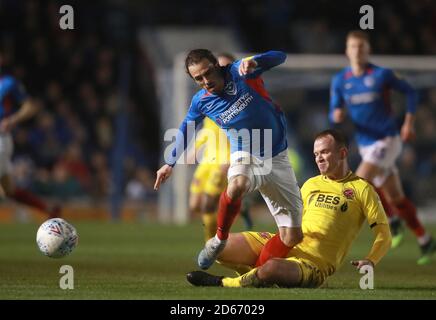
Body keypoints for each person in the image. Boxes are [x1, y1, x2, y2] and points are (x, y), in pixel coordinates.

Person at [154, 49, 303, 270]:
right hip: (245, 154)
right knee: (237, 185)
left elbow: (281, 56)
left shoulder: (240, 71)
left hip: (278, 158)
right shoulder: (201, 102)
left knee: (292, 236)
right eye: (198, 79)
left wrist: (256, 61)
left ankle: (257, 275)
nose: (205, 81)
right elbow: (187, 129)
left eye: (207, 73)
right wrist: (170, 162)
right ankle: (219, 240)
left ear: (217, 65)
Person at [186, 129, 392, 288]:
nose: (319, 158)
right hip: (284, 244)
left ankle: (225, 283)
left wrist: (371, 260)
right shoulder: (311, 184)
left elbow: (383, 233)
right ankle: (260, 276)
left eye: (325, 152)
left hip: (314, 263)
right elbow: (290, 216)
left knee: (272, 268)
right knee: (221, 248)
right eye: (316, 153)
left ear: (343, 153)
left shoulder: (362, 189)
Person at [329, 30, 435, 265]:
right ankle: (425, 239)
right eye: (353, 47)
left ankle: (350, 232)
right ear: (347, 51)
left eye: (362, 47)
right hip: (366, 144)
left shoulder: (381, 74)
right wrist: (337, 114)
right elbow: (334, 110)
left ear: (368, 50)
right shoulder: (340, 80)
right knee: (395, 196)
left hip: (388, 139)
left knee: (359, 181)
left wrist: (409, 122)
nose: (357, 51)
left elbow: (410, 92)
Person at [188, 53, 252, 242]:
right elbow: (206, 130)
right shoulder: (208, 99)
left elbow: (244, 133)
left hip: (223, 160)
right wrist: (194, 148)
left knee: (208, 204)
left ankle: (213, 244)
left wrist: (232, 160)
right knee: (194, 205)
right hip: (207, 159)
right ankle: (242, 206)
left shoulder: (239, 96)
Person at [0, 50, 60, 218]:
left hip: (1, 140)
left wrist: (12, 120)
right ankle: (49, 210)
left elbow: (30, 106)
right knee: (8, 190)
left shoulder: (8, 83)